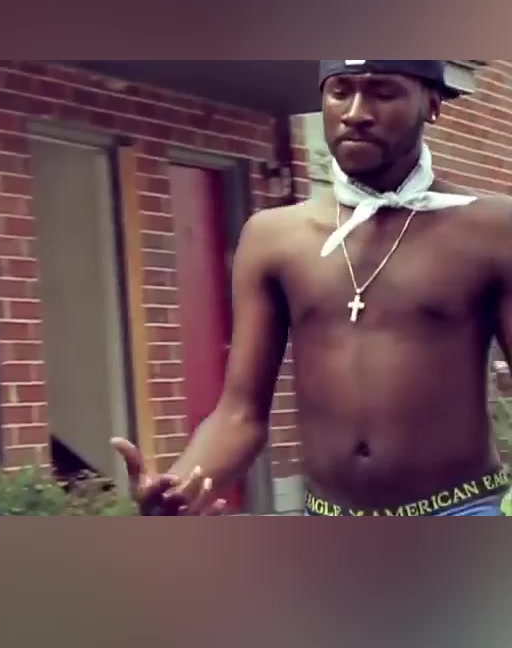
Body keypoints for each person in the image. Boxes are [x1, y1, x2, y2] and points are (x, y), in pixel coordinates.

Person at [111, 60, 512, 517]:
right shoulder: (274, 236)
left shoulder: (491, 228)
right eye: (340, 91)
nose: (356, 113)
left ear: (432, 105)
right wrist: (179, 488)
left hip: (459, 512)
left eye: (383, 93)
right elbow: (239, 414)